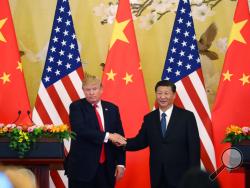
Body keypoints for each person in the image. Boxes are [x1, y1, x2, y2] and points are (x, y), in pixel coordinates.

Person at [120, 80, 200, 188]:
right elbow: (140, 141)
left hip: (182, 175)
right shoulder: (149, 118)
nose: (162, 97)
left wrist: (195, 177)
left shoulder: (187, 117)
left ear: (174, 95)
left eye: (166, 93)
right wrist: (122, 142)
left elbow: (194, 148)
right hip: (157, 175)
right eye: (159, 93)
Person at [64, 74, 126, 188]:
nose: (91, 93)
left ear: (101, 89)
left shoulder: (112, 108)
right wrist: (108, 136)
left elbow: (119, 137)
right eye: (88, 90)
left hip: (107, 168)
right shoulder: (76, 107)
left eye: (94, 89)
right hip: (82, 168)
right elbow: (80, 130)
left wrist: (121, 163)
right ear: (83, 90)